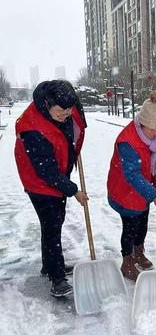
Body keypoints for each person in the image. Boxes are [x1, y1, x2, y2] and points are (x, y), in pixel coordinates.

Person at [15, 80, 88, 297]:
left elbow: (78, 122)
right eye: (60, 113)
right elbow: (46, 170)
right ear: (47, 104)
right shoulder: (32, 129)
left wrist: (75, 146)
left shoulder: (67, 106)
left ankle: (50, 264)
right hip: (39, 182)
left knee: (56, 221)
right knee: (52, 225)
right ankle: (57, 278)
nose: (65, 116)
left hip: (58, 174)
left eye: (68, 111)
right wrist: (73, 190)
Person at [107, 90, 156, 281]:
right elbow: (132, 175)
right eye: (153, 129)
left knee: (142, 225)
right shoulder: (127, 141)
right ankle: (127, 261)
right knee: (130, 228)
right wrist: (154, 195)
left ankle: (139, 252)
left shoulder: (150, 134)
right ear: (142, 124)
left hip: (142, 190)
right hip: (125, 191)